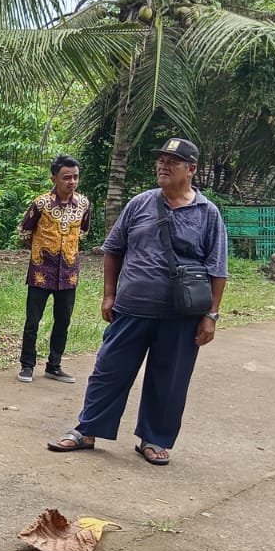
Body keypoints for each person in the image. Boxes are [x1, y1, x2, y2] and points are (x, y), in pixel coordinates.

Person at [45, 137, 226, 463]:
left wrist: (210, 316)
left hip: (181, 315)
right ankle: (87, 429)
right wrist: (109, 295)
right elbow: (113, 250)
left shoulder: (207, 213)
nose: (163, 166)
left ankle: (153, 440)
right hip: (132, 308)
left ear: (191, 169)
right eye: (161, 160)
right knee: (108, 371)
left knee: (169, 381)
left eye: (172, 162)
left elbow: (217, 268)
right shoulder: (140, 203)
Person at [17, 154, 91, 383]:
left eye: (75, 177)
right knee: (33, 321)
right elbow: (25, 231)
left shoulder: (84, 204)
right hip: (41, 271)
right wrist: (42, 249)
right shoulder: (41, 204)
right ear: (54, 178)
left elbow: (83, 231)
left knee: (63, 320)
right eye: (66, 177)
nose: (72, 182)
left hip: (68, 273)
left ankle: (54, 365)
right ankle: (27, 365)